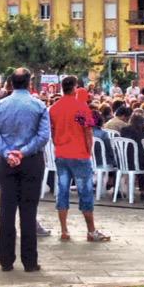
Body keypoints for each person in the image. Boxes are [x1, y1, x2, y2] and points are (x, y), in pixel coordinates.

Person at [0, 68, 50, 272]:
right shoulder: (39, 105)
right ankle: (29, 261)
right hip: (31, 160)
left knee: (6, 210)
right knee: (29, 211)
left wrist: (8, 153)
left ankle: (6, 259)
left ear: (11, 83)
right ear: (30, 83)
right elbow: (43, 137)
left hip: (6, 162)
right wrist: (23, 152)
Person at [48, 75, 109, 243]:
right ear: (75, 87)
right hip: (79, 154)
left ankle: (64, 230)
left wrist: (58, 145)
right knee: (85, 192)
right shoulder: (80, 107)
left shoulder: (54, 108)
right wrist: (88, 151)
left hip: (61, 153)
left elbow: (52, 132)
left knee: (62, 191)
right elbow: (88, 132)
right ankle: (91, 231)